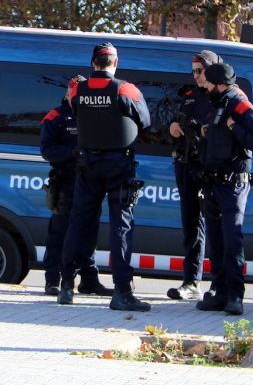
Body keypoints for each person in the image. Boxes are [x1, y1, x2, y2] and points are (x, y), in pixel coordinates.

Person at [57, 42, 152, 312]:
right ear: (115, 63)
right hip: (118, 165)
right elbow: (145, 121)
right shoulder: (126, 89)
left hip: (87, 163)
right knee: (120, 227)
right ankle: (122, 291)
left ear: (93, 63)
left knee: (79, 223)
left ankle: (66, 286)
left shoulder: (77, 90)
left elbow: (76, 110)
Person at [195, 63, 253, 316]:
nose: (206, 88)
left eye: (209, 83)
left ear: (219, 83)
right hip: (214, 182)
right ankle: (220, 292)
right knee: (216, 240)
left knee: (232, 239)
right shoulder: (219, 103)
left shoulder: (240, 105)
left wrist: (234, 126)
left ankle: (235, 295)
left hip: (233, 183)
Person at [39, 75, 112, 297]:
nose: (79, 97)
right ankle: (53, 280)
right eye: (75, 93)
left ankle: (89, 280)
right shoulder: (56, 117)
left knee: (89, 232)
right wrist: (72, 153)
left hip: (91, 181)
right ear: (68, 94)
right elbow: (47, 151)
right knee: (60, 233)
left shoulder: (95, 115)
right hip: (66, 183)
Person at [166, 50, 222, 301]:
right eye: (194, 72)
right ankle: (191, 281)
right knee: (191, 224)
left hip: (212, 169)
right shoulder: (189, 97)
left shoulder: (224, 97)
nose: (197, 76)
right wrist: (173, 129)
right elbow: (169, 127)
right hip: (187, 166)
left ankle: (219, 283)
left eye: (200, 71)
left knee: (218, 226)